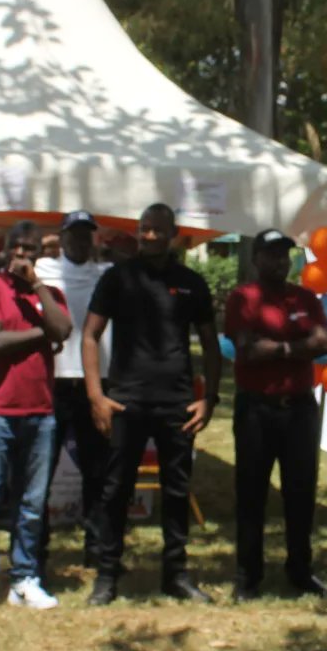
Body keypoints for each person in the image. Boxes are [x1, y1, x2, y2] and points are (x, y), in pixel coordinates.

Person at [82, 204, 221, 606]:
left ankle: (175, 575)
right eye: (144, 229)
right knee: (116, 489)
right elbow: (90, 335)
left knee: (177, 491)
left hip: (177, 403)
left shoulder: (192, 282)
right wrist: (96, 395)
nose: (150, 236)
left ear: (173, 233)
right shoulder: (117, 278)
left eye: (158, 230)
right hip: (126, 402)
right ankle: (107, 575)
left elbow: (211, 344)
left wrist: (208, 398)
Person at [0, 221, 73, 621]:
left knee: (31, 505)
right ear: (7, 251)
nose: (24, 256)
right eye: (19, 249)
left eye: (32, 250)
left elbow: (65, 329)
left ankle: (25, 577)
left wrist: (39, 292)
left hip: (39, 412)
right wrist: (43, 335)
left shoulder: (50, 294)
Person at [225, 229, 327, 600]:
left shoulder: (305, 297)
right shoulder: (243, 298)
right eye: (271, 255)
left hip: (299, 408)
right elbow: (248, 350)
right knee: (251, 493)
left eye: (284, 255)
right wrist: (297, 346)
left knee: (301, 493)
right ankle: (247, 577)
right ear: (255, 259)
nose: (279, 262)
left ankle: (301, 570)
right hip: (256, 408)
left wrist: (280, 347)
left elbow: (323, 343)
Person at [35, 210, 112, 576]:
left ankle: (96, 551)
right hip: (53, 384)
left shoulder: (107, 274)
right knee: (41, 471)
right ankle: (36, 550)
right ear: (62, 238)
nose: (80, 242)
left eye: (87, 235)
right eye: (74, 235)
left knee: (97, 472)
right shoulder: (42, 271)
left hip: (95, 385)